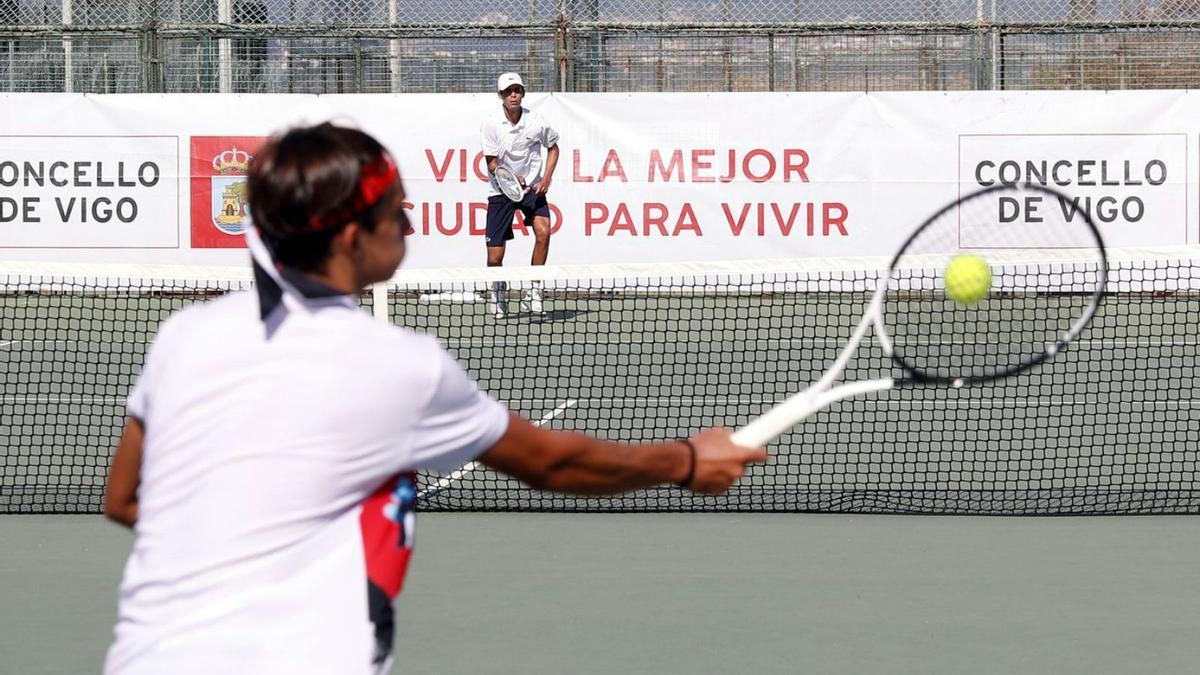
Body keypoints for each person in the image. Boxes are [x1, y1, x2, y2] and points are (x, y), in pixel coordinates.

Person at [102, 122, 766, 675]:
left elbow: (125, 498)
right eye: (395, 211)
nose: (409, 221)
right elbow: (554, 463)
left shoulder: (182, 336)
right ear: (350, 237)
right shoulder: (400, 367)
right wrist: (684, 459)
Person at [480, 71, 559, 316]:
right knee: (495, 257)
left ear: (523, 93)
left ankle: (533, 291)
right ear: (500, 96)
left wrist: (546, 177)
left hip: (531, 189)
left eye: (517, 91)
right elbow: (491, 162)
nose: (513, 95)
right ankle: (498, 290)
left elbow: (553, 148)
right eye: (508, 92)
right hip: (501, 190)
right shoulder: (491, 124)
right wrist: (509, 177)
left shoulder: (537, 121)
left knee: (544, 232)